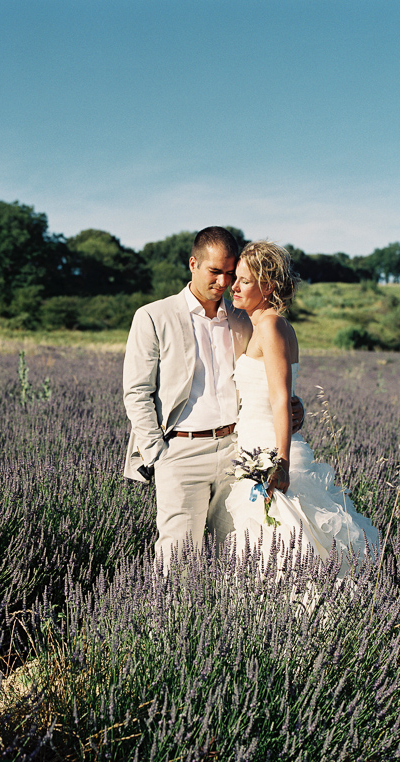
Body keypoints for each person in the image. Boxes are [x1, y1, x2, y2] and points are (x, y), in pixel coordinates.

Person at [122, 227, 302, 571]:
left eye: (230, 274)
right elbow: (136, 392)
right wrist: (159, 454)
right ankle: (171, 624)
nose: (223, 282)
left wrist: (295, 405)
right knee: (176, 557)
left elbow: (268, 377)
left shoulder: (241, 317)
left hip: (238, 452)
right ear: (193, 264)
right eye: (214, 271)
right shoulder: (153, 316)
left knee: (237, 554)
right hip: (180, 452)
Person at [226, 240, 379, 574]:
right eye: (235, 278)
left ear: (267, 286)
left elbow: (281, 397)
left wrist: (280, 463)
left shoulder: (271, 326)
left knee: (284, 547)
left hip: (269, 453)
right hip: (254, 446)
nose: (233, 286)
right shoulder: (264, 325)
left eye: (245, 280)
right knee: (272, 548)